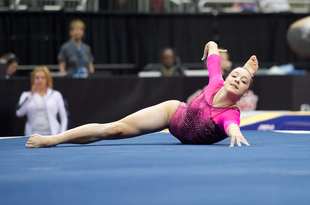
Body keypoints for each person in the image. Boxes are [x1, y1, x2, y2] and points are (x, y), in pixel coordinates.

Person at [25, 41, 258, 148]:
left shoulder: (229, 114)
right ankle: (52, 139)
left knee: (113, 131)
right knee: (113, 129)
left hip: (185, 130)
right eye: (235, 75)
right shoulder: (217, 80)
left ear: (245, 92)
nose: (236, 80)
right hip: (172, 113)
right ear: (227, 77)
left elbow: (231, 125)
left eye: (243, 81)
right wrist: (212, 43)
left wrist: (235, 133)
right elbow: (214, 53)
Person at [16, 66, 68, 136]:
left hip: (52, 135)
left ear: (47, 80)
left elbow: (64, 117)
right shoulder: (26, 95)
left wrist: (62, 134)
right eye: (37, 78)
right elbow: (19, 113)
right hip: (32, 135)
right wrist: (30, 95)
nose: (40, 80)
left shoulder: (55, 95)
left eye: (43, 78)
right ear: (33, 80)